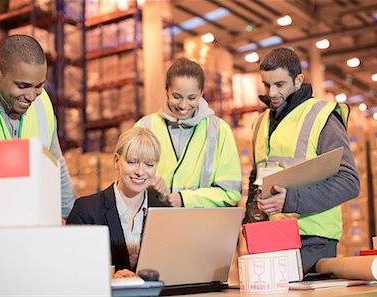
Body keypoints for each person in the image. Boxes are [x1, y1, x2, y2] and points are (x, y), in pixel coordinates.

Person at [243, 48, 360, 275]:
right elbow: (258, 175)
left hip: (313, 241)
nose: (272, 93)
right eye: (266, 85)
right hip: (271, 238)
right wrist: (251, 219)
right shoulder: (259, 123)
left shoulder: (322, 115)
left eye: (280, 84)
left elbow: (349, 182)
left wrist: (292, 199)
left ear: (298, 81)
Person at [135, 57, 242, 208]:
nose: (183, 105)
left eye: (192, 98)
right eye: (176, 97)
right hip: (155, 223)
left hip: (201, 225)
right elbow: (126, 184)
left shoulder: (219, 130)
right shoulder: (144, 127)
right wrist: (147, 188)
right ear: (166, 91)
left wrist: (185, 199)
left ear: (201, 94)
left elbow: (231, 193)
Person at [0, 35, 75, 218]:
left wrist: (75, 219)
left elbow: (56, 164)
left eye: (38, 86)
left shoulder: (43, 103)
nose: (31, 96)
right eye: (22, 86)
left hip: (31, 226)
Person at [66, 127, 168, 278]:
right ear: (116, 161)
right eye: (132, 162)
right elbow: (69, 266)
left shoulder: (164, 214)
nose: (140, 172)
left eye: (149, 164)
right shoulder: (86, 210)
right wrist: (108, 278)